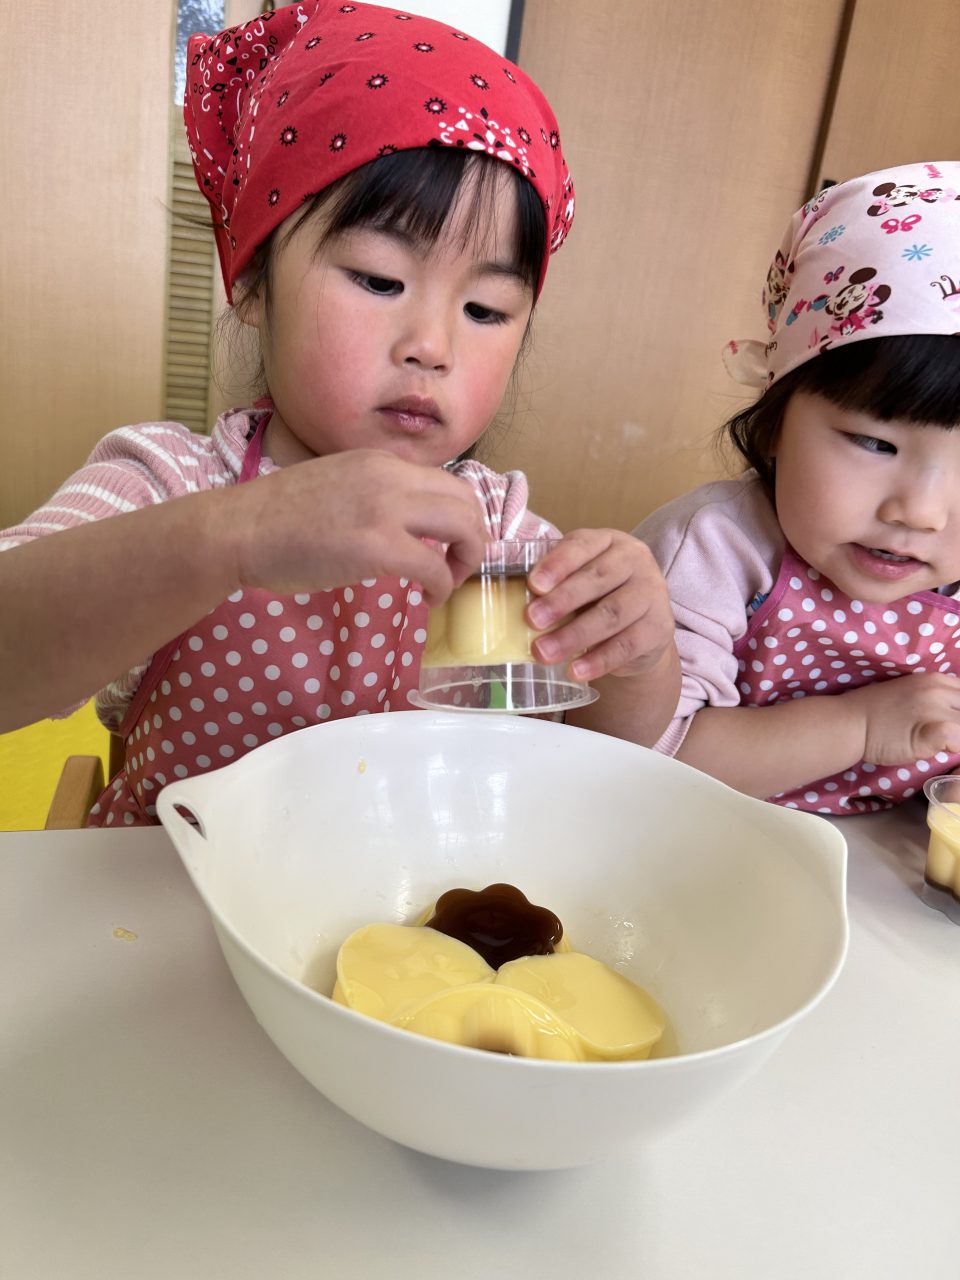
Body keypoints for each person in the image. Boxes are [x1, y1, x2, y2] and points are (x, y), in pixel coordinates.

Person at [0, 0, 678, 825]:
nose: (431, 345)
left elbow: (596, 756)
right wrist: (232, 538)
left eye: (486, 310)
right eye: (379, 280)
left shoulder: (499, 532)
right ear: (255, 284)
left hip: (404, 903)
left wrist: (637, 660)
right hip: (169, 892)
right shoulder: (172, 483)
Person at [582, 160, 960, 814]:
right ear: (774, 422)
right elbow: (644, 758)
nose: (919, 512)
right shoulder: (713, 551)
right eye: (875, 443)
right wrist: (861, 725)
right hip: (694, 844)